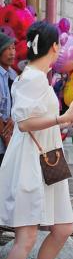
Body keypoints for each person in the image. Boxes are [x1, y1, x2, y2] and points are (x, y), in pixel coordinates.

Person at [0, 22, 73, 259]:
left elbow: (44, 120)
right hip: (30, 162)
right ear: (54, 47)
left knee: (63, 227)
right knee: (25, 237)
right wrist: (64, 117)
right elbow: (25, 123)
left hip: (47, 160)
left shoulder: (39, 77)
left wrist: (69, 120)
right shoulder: (32, 78)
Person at [0, 33, 17, 169]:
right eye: (8, 49)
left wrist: (14, 116)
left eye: (13, 48)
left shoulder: (13, 74)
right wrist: (6, 137)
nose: (12, 53)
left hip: (10, 137)